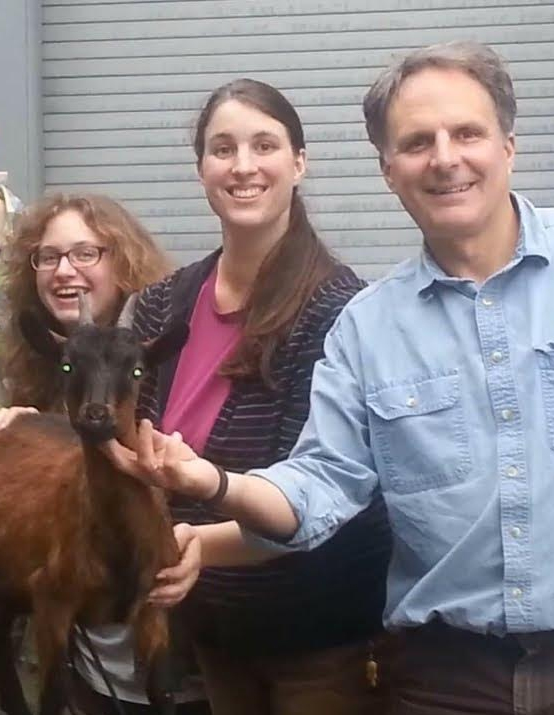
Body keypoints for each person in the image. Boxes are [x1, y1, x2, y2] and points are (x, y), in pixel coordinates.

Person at [104, 42, 554, 715]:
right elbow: (323, 482)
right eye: (417, 142)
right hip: (444, 676)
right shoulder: (367, 327)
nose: (445, 158)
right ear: (389, 170)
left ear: (509, 145)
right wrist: (210, 481)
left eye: (466, 132)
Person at [108, 78, 392, 715]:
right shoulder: (161, 305)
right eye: (222, 148)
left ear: (299, 162)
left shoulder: (340, 310)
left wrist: (196, 545)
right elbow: (133, 441)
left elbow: (324, 493)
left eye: (264, 145)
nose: (242, 166)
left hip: (317, 639)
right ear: (201, 168)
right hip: (210, 632)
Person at [0, 192, 211, 714]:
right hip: (88, 661)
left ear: (122, 256)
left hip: (184, 648)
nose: (64, 270)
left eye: (84, 253)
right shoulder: (36, 373)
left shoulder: (167, 367)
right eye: (48, 257)